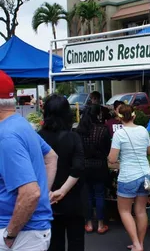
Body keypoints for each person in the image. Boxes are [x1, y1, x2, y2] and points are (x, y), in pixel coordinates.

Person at [0, 70, 58, 250]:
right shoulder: (20, 124)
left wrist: (10, 235)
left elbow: (31, 193)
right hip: (30, 231)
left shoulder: (6, 136)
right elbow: (51, 157)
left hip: (21, 234)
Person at [38, 94, 85, 251]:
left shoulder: (38, 137)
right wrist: (63, 191)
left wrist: (50, 191)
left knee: (53, 244)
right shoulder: (73, 137)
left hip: (47, 199)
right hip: (74, 200)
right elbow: (78, 167)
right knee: (76, 243)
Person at [108, 105, 150, 251]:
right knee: (141, 210)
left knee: (125, 211)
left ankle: (136, 244)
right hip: (145, 175)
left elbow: (113, 159)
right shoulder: (143, 130)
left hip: (128, 176)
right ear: (134, 116)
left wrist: (109, 156)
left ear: (119, 118)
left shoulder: (119, 134)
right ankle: (140, 243)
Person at [76, 104, 111, 235]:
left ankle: (89, 223)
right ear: (98, 114)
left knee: (88, 195)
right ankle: (101, 225)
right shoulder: (103, 130)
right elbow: (108, 149)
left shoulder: (79, 130)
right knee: (100, 194)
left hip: (84, 166)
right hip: (100, 165)